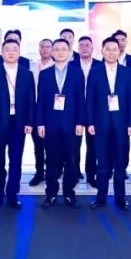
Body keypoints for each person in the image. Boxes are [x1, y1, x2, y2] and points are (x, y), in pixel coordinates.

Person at [0, 38, 36, 209]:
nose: (11, 52)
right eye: (7, 49)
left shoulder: (27, 74)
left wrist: (30, 122)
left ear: (19, 53)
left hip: (18, 123)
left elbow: (31, 101)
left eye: (14, 49)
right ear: (1, 52)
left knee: (16, 160)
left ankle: (12, 194)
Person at [37, 39, 87, 209]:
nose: (60, 52)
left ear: (69, 52)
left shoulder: (77, 73)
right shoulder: (44, 74)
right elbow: (41, 100)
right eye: (56, 49)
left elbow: (81, 99)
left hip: (72, 125)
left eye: (63, 49)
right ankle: (51, 194)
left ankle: (69, 193)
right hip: (50, 124)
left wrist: (80, 122)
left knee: (71, 161)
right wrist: (40, 123)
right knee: (51, 160)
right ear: (52, 52)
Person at [87, 37, 131, 209]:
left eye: (114, 49)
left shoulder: (127, 72)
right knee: (102, 163)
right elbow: (90, 99)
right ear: (102, 51)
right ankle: (101, 197)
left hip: (122, 125)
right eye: (108, 49)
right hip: (101, 124)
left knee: (121, 162)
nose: (111, 52)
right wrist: (90, 122)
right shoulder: (95, 71)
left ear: (119, 51)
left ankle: (120, 198)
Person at [28, 38, 55, 187]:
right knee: (37, 145)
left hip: (52, 111)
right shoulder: (31, 67)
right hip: (35, 109)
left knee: (52, 145)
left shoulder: (58, 67)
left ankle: (53, 173)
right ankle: (39, 172)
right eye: (42, 46)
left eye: (48, 46)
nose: (45, 49)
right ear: (39, 49)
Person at [76, 35, 99, 187]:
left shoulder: (100, 65)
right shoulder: (71, 65)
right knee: (74, 144)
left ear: (92, 48)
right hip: (75, 109)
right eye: (82, 45)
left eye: (87, 45)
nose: (84, 48)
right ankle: (74, 172)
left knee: (93, 145)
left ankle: (91, 175)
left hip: (95, 110)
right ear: (77, 48)